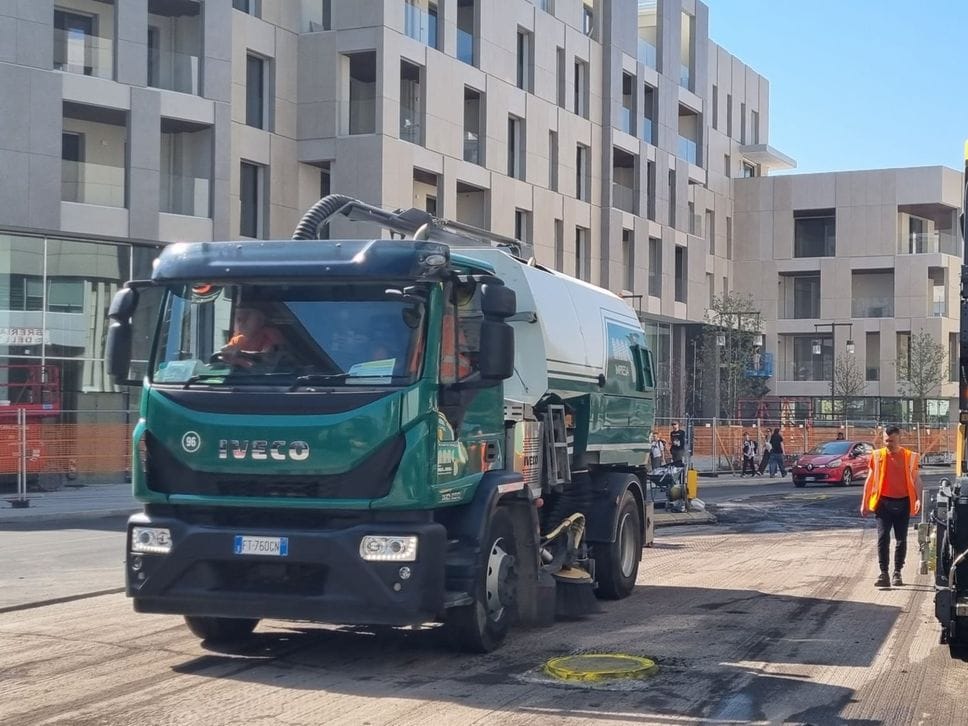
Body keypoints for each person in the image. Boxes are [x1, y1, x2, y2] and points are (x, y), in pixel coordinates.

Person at [861, 425, 922, 588]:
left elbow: (916, 479)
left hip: (903, 503)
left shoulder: (910, 457)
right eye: (886, 441)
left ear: (899, 439)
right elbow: (869, 479)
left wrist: (918, 499)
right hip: (883, 504)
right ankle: (884, 573)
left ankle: (897, 572)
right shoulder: (877, 456)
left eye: (892, 441)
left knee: (901, 539)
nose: (889, 444)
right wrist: (864, 502)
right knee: (883, 537)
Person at [220, 305, 284, 368]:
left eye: (247, 318)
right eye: (239, 320)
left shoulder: (270, 334)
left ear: (260, 321)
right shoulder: (236, 340)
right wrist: (226, 353)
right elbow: (228, 358)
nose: (241, 323)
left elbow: (266, 359)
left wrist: (241, 356)